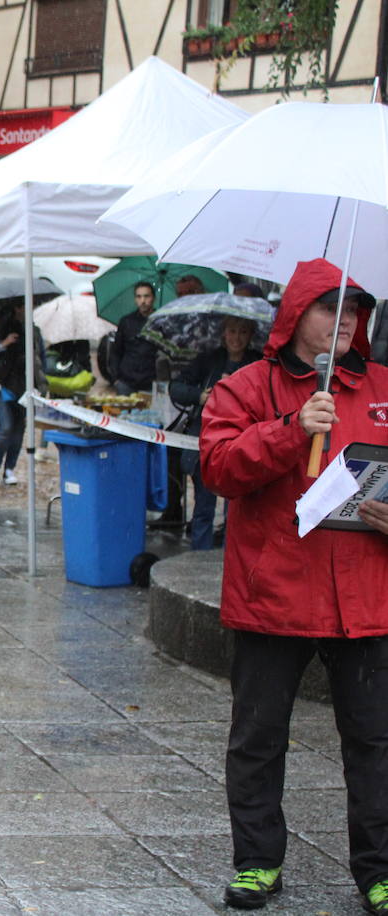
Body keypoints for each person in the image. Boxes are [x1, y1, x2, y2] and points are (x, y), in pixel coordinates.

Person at [201, 258, 388, 912]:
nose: (346, 321)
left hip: (365, 598)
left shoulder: (384, 387)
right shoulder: (245, 387)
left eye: (355, 309)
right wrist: (290, 430)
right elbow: (219, 468)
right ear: (295, 314)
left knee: (376, 743)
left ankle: (380, 871)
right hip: (272, 596)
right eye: (330, 308)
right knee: (258, 739)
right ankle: (258, 862)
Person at [171, 316, 261, 550]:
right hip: (207, 444)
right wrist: (200, 396)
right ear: (224, 333)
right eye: (232, 331)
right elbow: (176, 388)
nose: (236, 338)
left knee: (237, 510)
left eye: (243, 332)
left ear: (251, 335)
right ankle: (199, 556)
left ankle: (230, 556)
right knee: (203, 507)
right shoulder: (209, 360)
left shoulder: (258, 364)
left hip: (242, 444)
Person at [0, 300, 44, 485]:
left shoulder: (33, 331)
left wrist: (41, 383)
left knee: (19, 430)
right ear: (17, 308)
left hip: (26, 386)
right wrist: (4, 343)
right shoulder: (2, 326)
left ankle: (9, 469)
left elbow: (40, 358)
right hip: (5, 385)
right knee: (5, 428)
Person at [110, 280, 160, 395]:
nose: (143, 301)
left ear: (153, 298)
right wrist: (116, 378)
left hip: (150, 381)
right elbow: (116, 351)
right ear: (135, 299)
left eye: (146, 296)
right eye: (139, 296)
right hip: (126, 381)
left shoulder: (161, 321)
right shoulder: (126, 321)